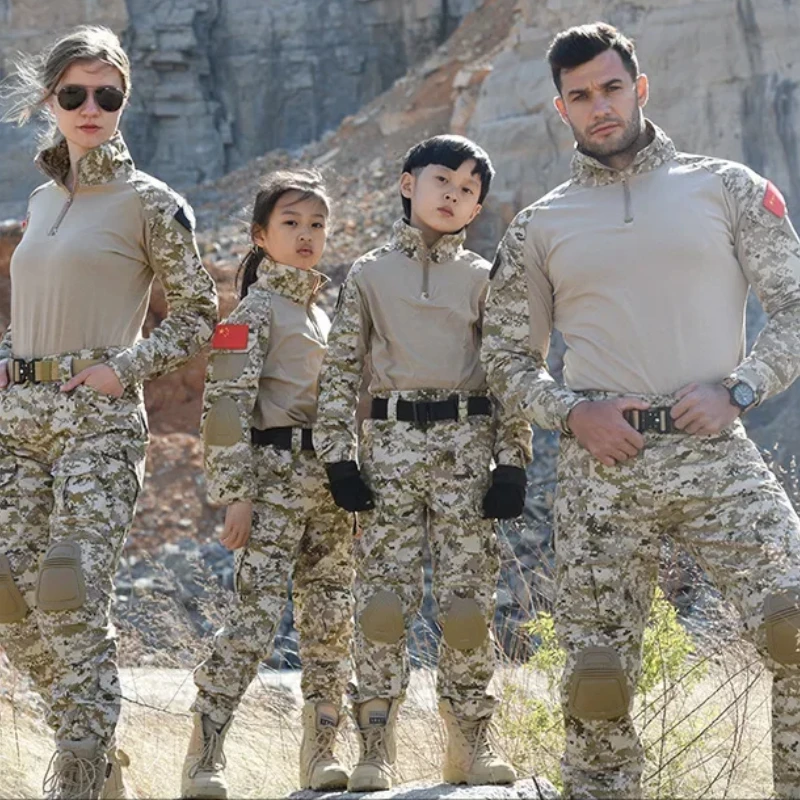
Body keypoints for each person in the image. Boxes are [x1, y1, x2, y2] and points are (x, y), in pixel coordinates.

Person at [482, 22, 800, 799]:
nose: (600, 107)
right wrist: (570, 414)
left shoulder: (726, 187)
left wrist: (740, 389)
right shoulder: (540, 225)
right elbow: (505, 358)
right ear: (561, 109)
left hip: (713, 448)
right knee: (597, 678)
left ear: (641, 88)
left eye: (612, 88)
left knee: (793, 621)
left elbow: (794, 307)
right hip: (603, 465)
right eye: (581, 95)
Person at [0, 24, 218, 799]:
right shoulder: (39, 200)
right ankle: (90, 736)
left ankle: (82, 773)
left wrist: (121, 368)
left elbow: (198, 316)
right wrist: (8, 354)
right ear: (49, 101)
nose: (91, 107)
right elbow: (35, 300)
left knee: (67, 588)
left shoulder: (152, 202)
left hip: (97, 422)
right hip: (18, 423)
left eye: (108, 95)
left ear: (125, 100)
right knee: (8, 594)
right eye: (74, 94)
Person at [315, 134, 532, 792]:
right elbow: (340, 372)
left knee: (466, 607)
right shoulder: (368, 274)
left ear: (477, 209)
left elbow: (509, 373)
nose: (453, 196)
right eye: (443, 180)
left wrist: (512, 461)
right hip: (390, 450)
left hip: (467, 448)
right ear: (408, 184)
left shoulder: (485, 278)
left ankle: (471, 743)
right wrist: (339, 458)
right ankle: (375, 748)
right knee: (383, 604)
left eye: (468, 191)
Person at [181, 169, 354, 798]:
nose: (306, 235)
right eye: (291, 223)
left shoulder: (322, 314)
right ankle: (205, 756)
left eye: (317, 224)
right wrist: (236, 495)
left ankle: (321, 753)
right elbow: (225, 407)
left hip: (328, 490)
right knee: (253, 623)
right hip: (273, 482)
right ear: (261, 235)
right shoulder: (251, 312)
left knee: (330, 623)